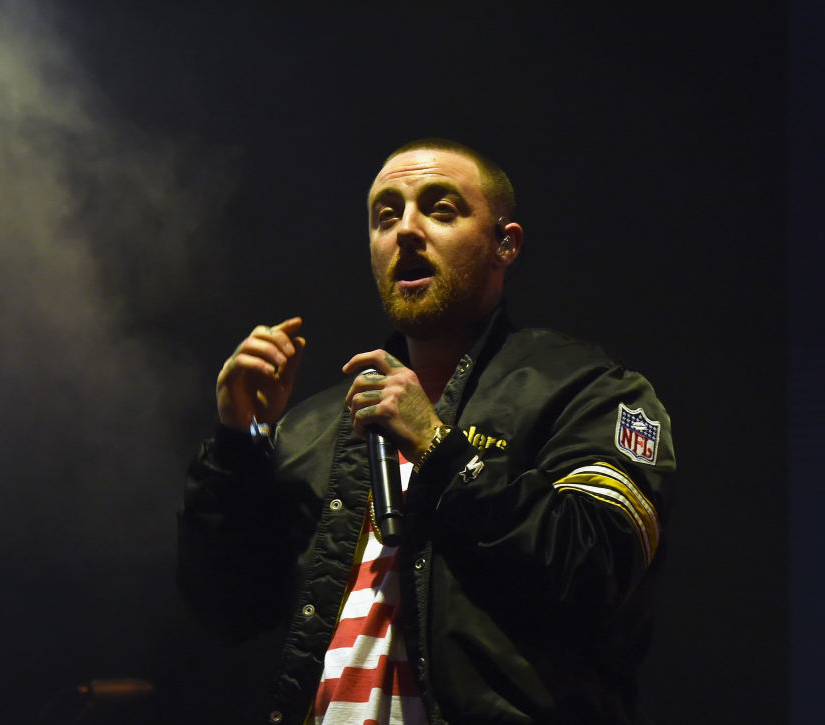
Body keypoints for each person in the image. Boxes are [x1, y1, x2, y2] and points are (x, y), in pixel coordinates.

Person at [178, 138, 675, 725]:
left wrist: (439, 448)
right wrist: (238, 443)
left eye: (440, 210)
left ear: (505, 243)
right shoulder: (311, 428)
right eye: (385, 217)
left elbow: (598, 572)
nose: (406, 230)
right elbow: (226, 611)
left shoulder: (588, 389)